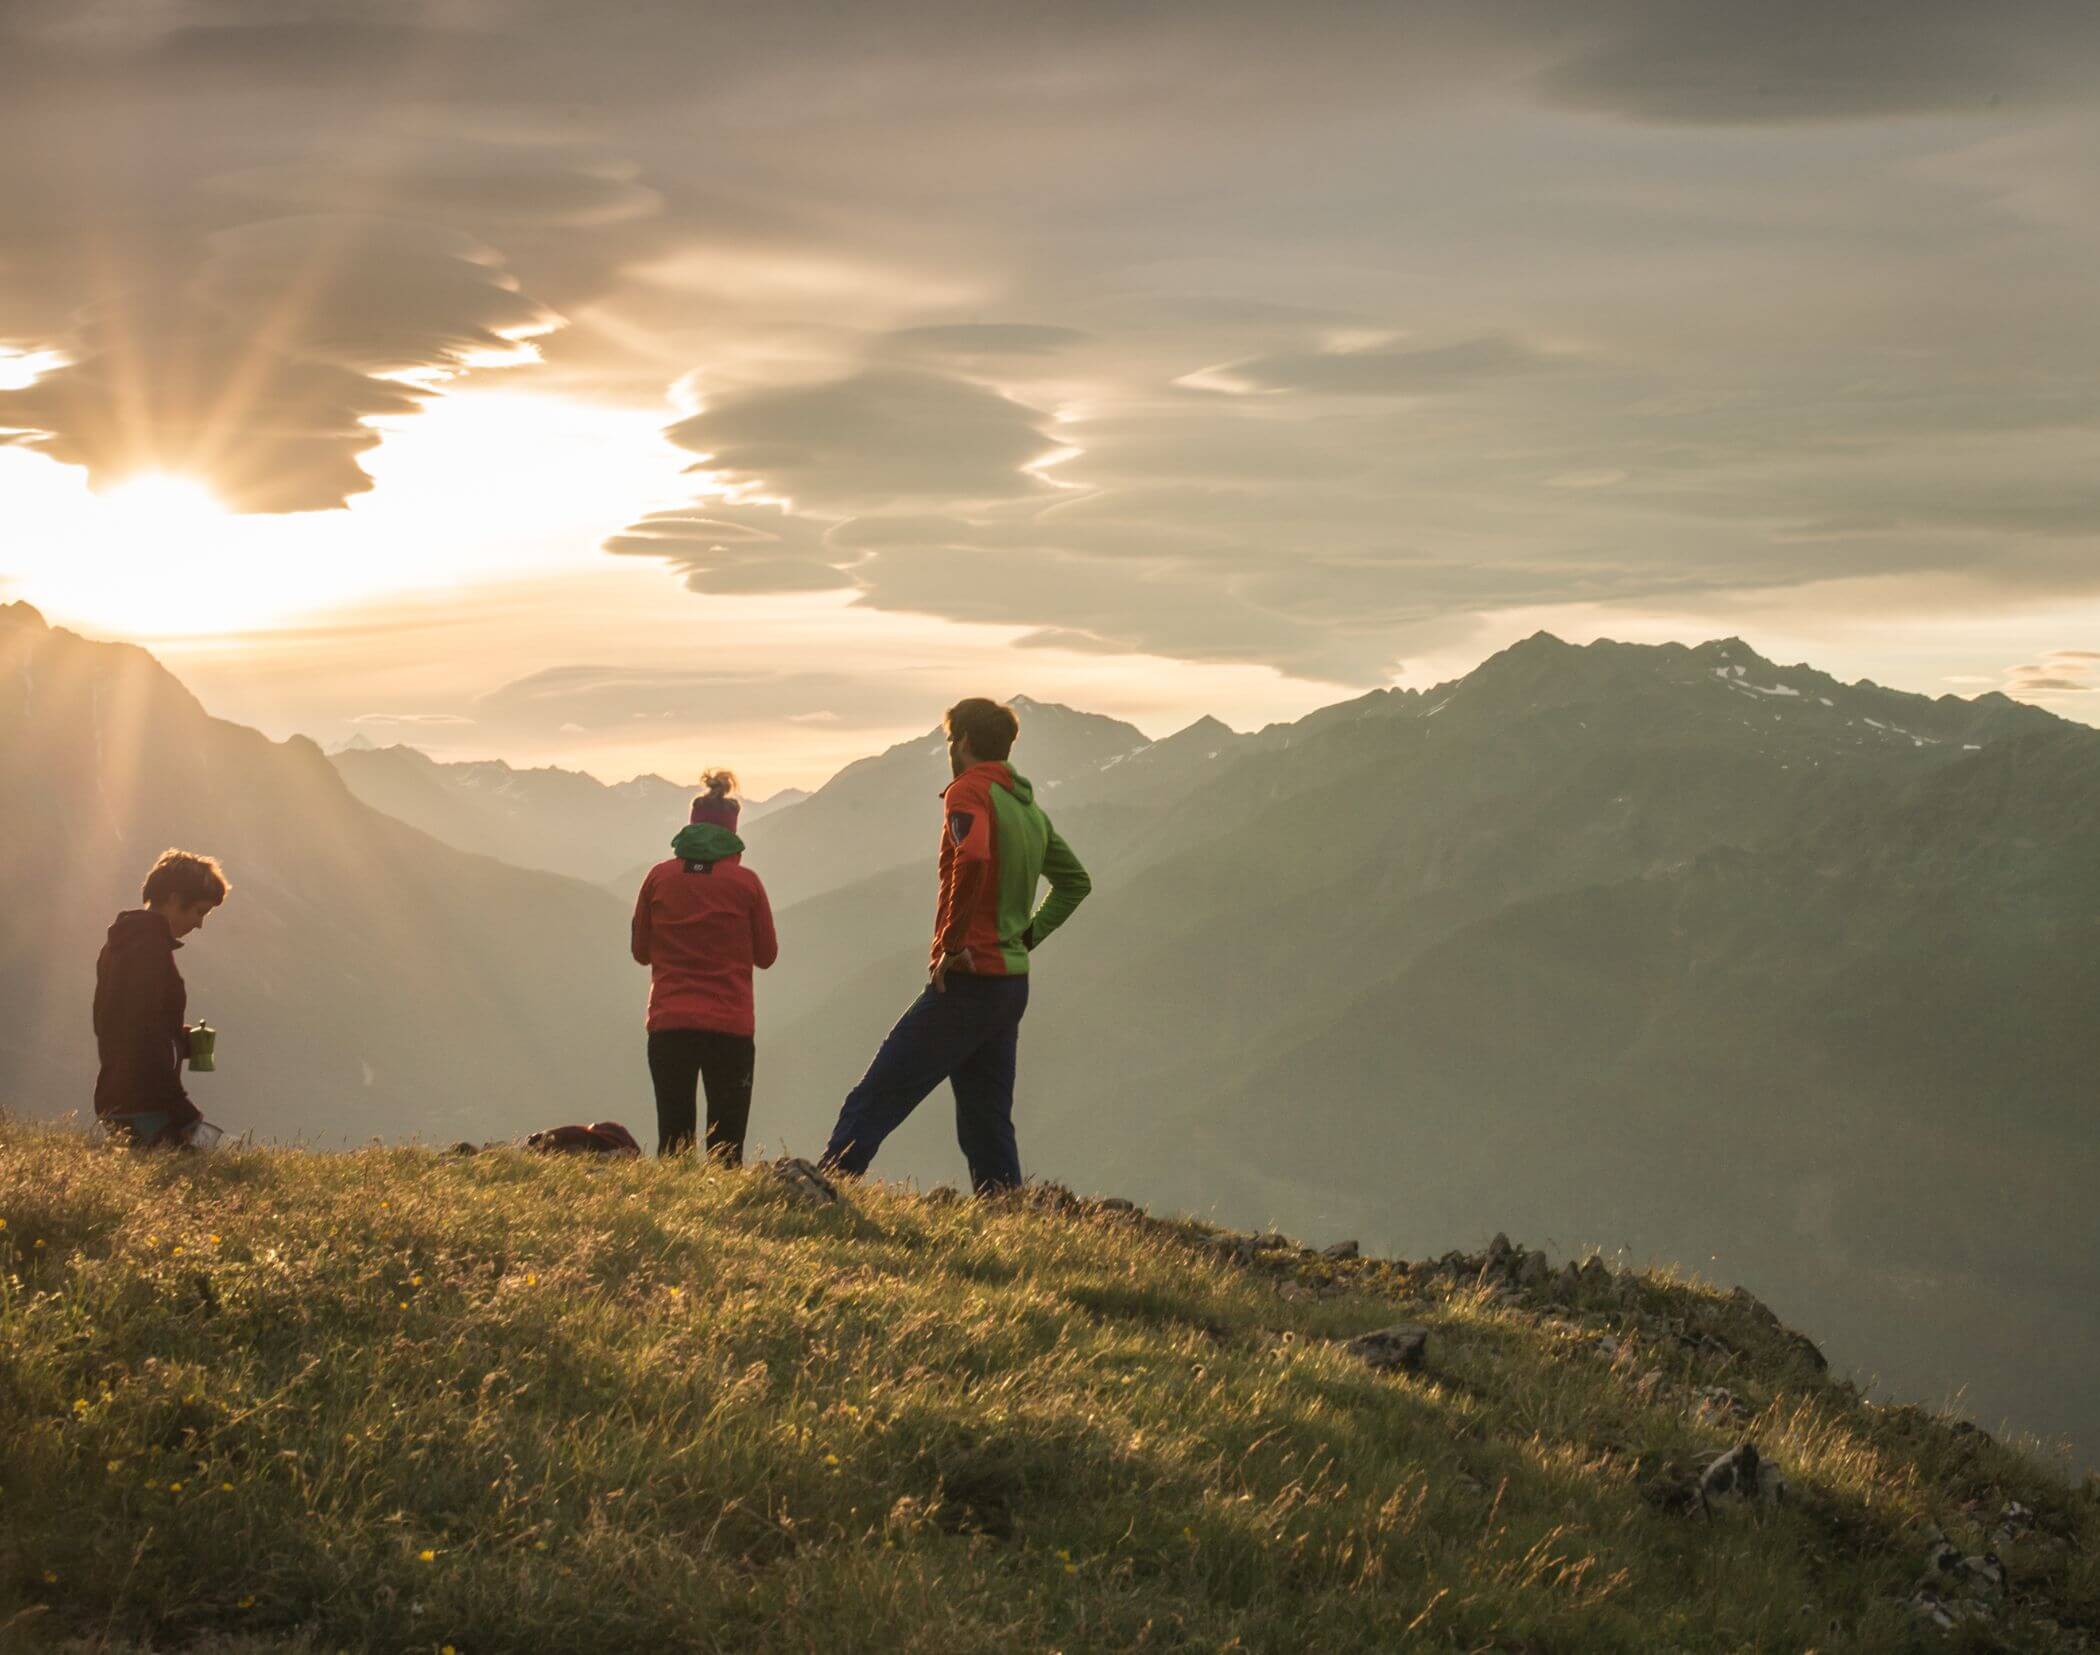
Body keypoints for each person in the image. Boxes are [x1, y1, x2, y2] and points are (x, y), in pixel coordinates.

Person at [820, 698, 1090, 1194]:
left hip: (969, 979)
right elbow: (1075, 883)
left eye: (950, 739)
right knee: (987, 1119)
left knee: (878, 1092)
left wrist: (953, 942)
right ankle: (1005, 1213)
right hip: (1010, 984)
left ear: (963, 741)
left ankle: (820, 1192)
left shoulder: (968, 793)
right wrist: (1026, 938)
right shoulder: (1029, 810)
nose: (949, 747)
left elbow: (974, 856)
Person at [631, 770, 778, 1163]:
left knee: (674, 1140)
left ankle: (674, 1216)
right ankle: (724, 1219)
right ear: (732, 832)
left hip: (669, 1023)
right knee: (726, 1147)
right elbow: (766, 956)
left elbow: (641, 952)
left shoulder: (658, 879)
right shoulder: (747, 884)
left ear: (691, 827)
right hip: (729, 1027)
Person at [94, 848, 229, 1148]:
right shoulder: (148, 952)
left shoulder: (122, 945)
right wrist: (182, 1111)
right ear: (173, 899)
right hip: (146, 1104)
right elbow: (144, 1039)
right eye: (199, 911)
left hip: (119, 1097)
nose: (199, 924)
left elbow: (119, 1025)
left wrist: (183, 1040)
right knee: (199, 1177)